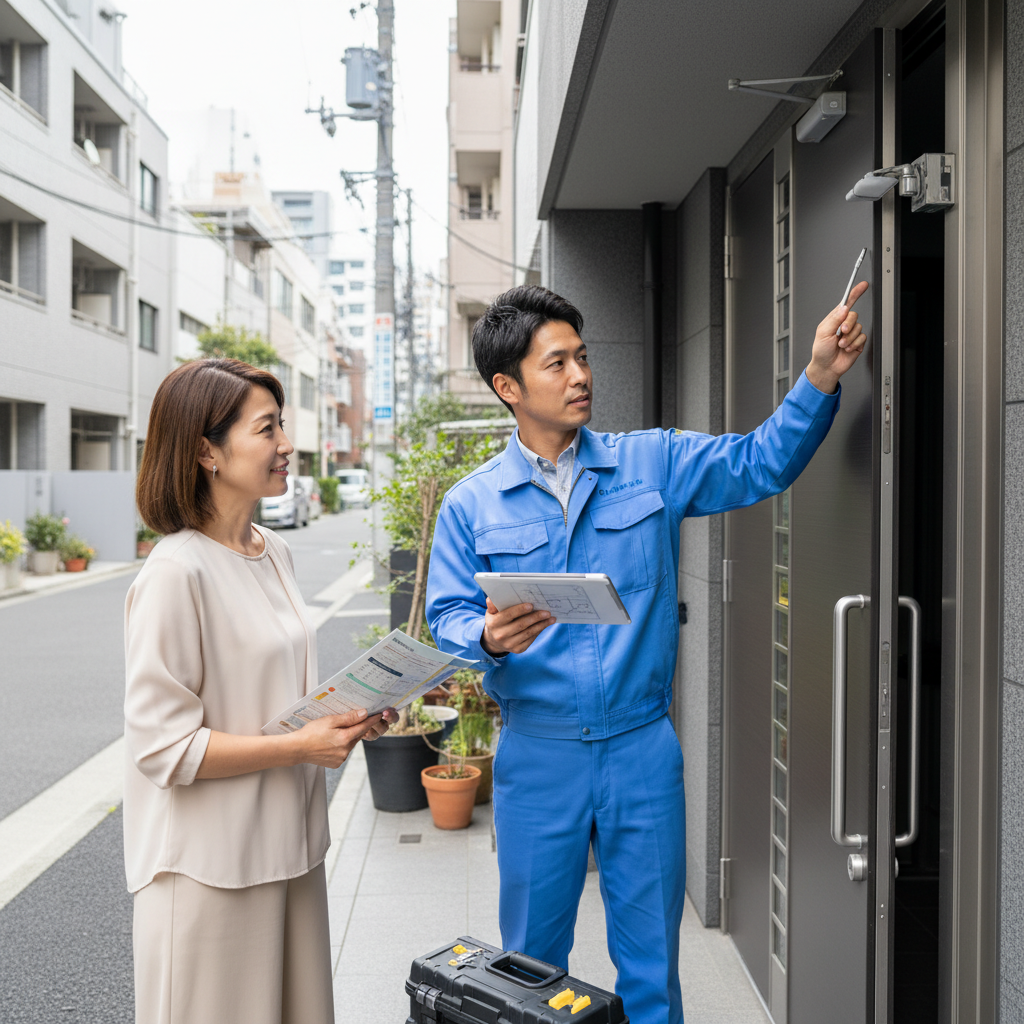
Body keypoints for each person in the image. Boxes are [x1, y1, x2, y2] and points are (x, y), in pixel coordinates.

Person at [425, 283, 868, 1024]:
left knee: (653, 967)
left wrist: (819, 373)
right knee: (529, 964)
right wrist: (484, 636)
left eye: (584, 357)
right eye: (557, 363)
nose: (581, 376)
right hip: (539, 756)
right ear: (509, 387)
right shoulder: (472, 503)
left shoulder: (650, 462)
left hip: (641, 748)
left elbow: (759, 462)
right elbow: (447, 615)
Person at [124, 359, 395, 1024]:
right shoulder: (174, 572)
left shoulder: (274, 550)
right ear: (204, 450)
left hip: (291, 850)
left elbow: (275, 690)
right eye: (266, 428)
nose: (285, 445)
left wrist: (349, 715)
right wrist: (300, 747)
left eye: (282, 426)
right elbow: (163, 749)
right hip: (208, 872)